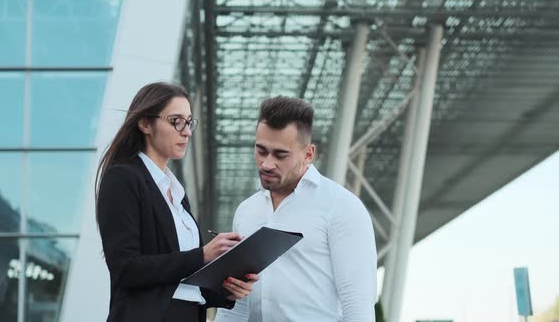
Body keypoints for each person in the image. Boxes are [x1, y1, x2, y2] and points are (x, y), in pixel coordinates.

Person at [95, 82, 259, 322]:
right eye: (176, 121)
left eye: (189, 122)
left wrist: (228, 289)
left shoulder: (176, 194)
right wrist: (202, 255)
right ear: (145, 124)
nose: (187, 132)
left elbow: (186, 286)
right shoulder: (123, 178)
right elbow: (126, 269)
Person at [215, 96, 377, 322]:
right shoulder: (246, 210)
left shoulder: (342, 206)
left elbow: (357, 304)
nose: (267, 164)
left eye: (280, 155)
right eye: (261, 151)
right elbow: (235, 306)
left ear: (308, 153)